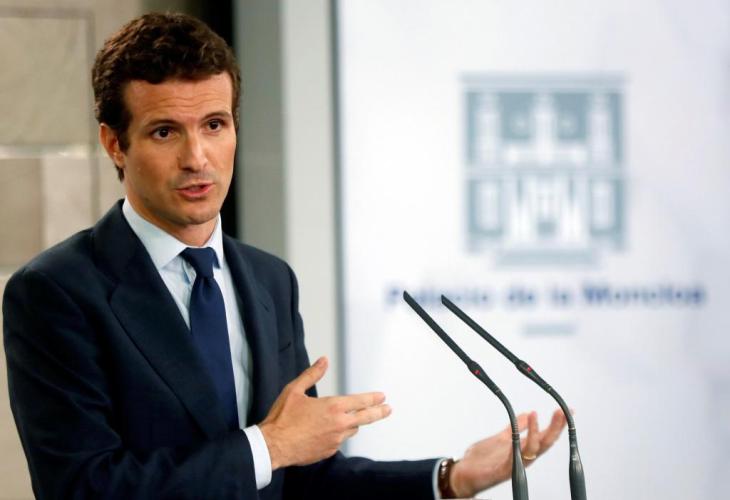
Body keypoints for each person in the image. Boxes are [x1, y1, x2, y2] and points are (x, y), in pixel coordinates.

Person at [2, 12, 566, 500]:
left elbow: (306, 479)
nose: (197, 158)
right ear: (114, 144)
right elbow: (82, 487)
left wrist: (451, 478)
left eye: (215, 125)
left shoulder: (268, 279)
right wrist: (268, 446)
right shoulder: (56, 291)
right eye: (166, 132)